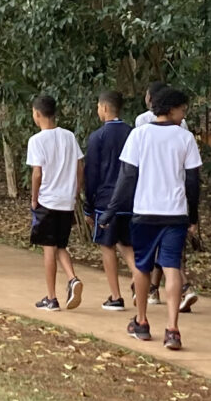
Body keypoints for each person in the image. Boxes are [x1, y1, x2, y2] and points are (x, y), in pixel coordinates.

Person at [116, 86, 203, 350]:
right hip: (175, 213)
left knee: (142, 266)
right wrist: (192, 215)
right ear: (171, 109)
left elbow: (127, 176)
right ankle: (172, 329)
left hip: (145, 211)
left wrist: (113, 208)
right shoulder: (185, 138)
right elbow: (193, 181)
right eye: (182, 110)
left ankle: (141, 322)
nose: (183, 115)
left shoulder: (139, 134)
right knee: (171, 267)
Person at [24, 93, 86, 310]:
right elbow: (80, 166)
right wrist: (75, 190)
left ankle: (51, 298)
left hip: (48, 201)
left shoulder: (36, 140)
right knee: (60, 245)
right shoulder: (69, 136)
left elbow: (37, 173)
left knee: (48, 249)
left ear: (37, 114)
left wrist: (34, 198)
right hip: (66, 201)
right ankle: (72, 279)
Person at [82, 91, 134, 310]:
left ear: (104, 107)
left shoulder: (98, 137)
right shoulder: (132, 133)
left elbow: (91, 173)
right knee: (127, 244)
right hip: (130, 199)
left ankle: (115, 296)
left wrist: (88, 206)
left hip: (106, 200)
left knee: (107, 245)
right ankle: (139, 278)